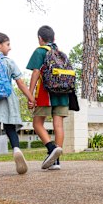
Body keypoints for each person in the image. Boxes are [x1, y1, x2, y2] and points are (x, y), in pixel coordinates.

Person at [0, 32, 35, 175]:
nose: (10, 48)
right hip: (7, 98)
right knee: (10, 128)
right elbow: (20, 83)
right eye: (8, 44)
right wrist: (31, 98)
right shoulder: (8, 62)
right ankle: (16, 149)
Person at [27, 26, 69, 170]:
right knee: (59, 125)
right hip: (63, 93)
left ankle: (51, 149)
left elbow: (36, 72)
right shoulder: (60, 53)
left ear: (40, 38)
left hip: (46, 94)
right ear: (54, 38)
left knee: (37, 124)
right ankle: (56, 162)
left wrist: (30, 94)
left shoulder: (40, 51)